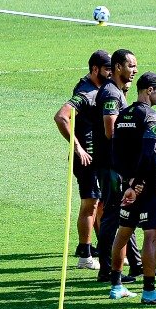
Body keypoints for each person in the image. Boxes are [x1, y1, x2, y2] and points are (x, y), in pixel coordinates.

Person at [108, 72, 156, 304]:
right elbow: (150, 154)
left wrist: (127, 183)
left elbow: (114, 153)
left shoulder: (123, 115)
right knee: (151, 236)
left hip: (127, 185)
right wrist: (139, 185)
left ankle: (116, 286)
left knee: (123, 232)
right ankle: (149, 291)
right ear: (149, 90)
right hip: (149, 187)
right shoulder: (150, 116)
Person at [53, 50, 111, 270]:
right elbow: (60, 117)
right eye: (107, 69)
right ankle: (85, 255)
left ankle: (102, 249)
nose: (110, 73)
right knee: (91, 203)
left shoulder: (96, 88)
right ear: (95, 69)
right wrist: (77, 148)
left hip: (97, 156)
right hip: (86, 158)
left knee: (101, 203)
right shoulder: (85, 93)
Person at [95, 49, 141, 284]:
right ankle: (105, 269)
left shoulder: (117, 91)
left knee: (124, 212)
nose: (134, 70)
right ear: (118, 67)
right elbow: (111, 131)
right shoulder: (112, 94)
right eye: (131, 66)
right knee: (113, 214)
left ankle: (136, 263)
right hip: (112, 165)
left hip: (115, 164)